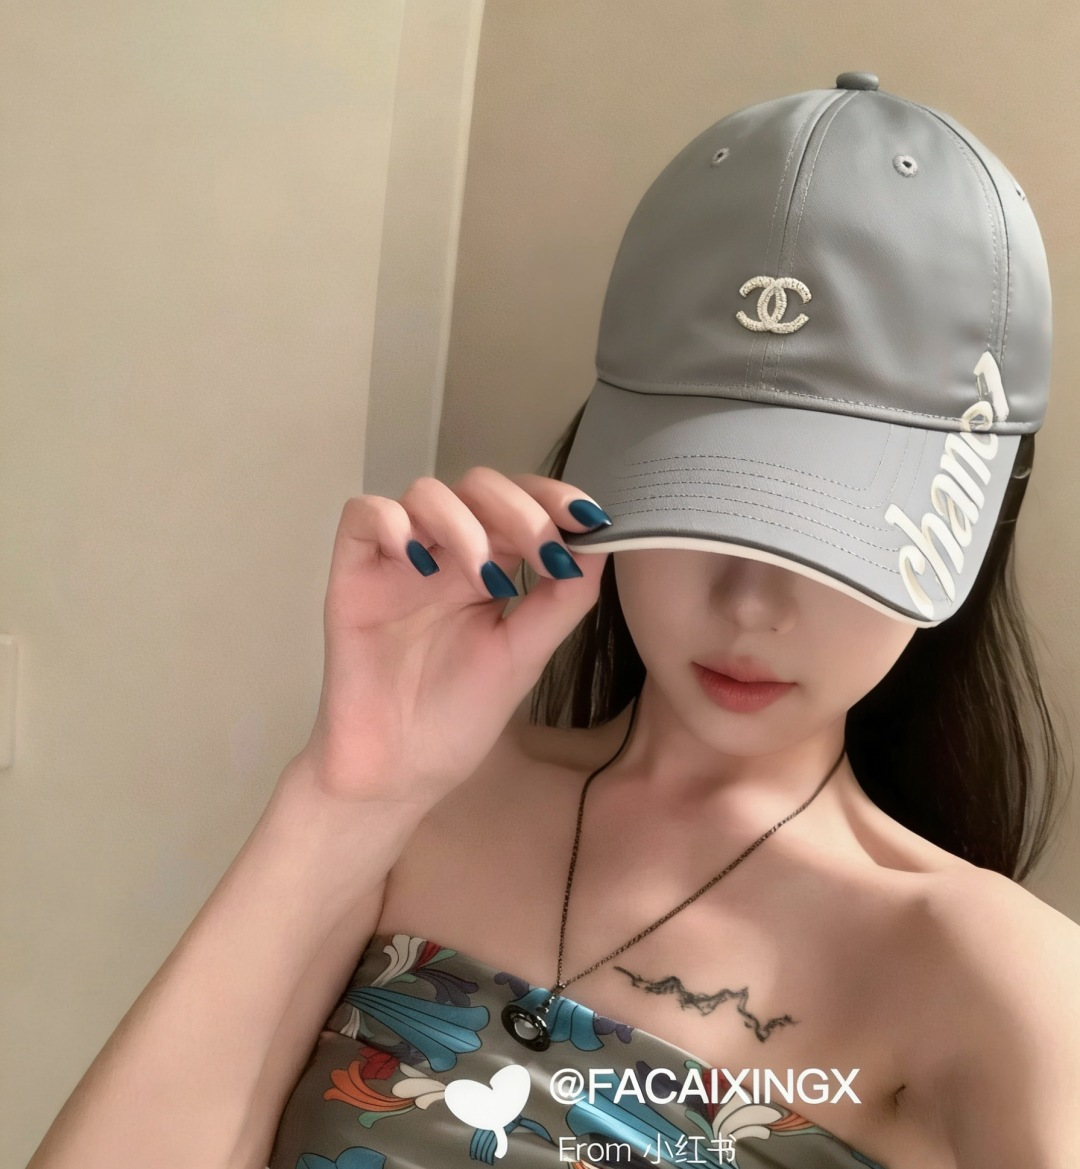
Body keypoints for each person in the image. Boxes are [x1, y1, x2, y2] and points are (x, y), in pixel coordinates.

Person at [26, 73, 1080, 1169]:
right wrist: (348, 797)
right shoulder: (424, 809)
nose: (750, 604)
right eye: (701, 505)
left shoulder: (989, 978)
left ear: (971, 521)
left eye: (831, 537)